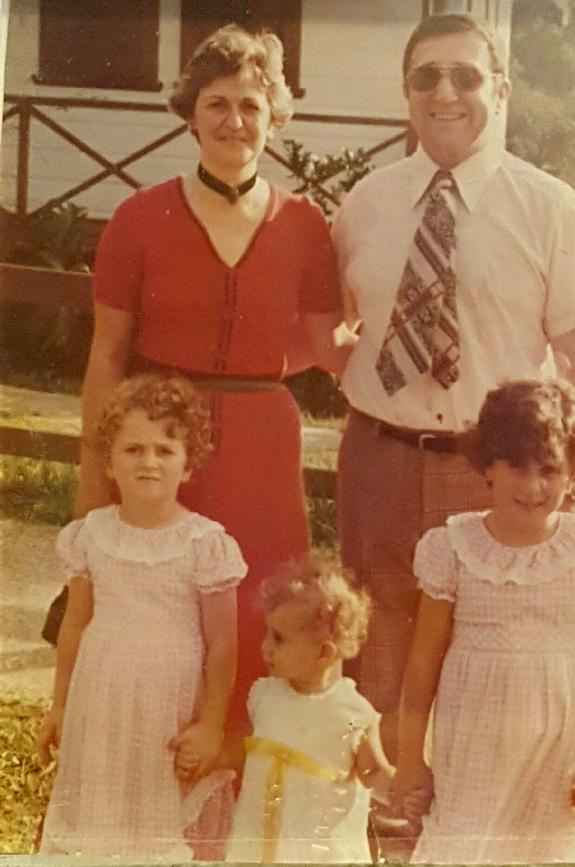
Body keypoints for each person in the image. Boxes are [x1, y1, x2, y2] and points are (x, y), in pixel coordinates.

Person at [331, 12, 575, 758]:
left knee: (486, 652)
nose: (445, 92)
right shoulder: (365, 202)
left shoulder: (550, 206)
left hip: (495, 470)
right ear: (406, 92)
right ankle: (386, 807)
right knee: (380, 643)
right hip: (382, 458)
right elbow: (329, 323)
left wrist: (567, 481)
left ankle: (469, 813)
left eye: (466, 75)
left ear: (502, 88)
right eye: (426, 76)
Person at [72, 24, 347, 736]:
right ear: (191, 113)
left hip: (263, 443)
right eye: (218, 103)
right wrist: (96, 472)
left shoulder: (306, 224)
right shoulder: (138, 218)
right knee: (156, 607)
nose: (235, 121)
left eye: (252, 105)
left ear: (274, 118)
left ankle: (244, 794)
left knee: (266, 606)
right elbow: (107, 355)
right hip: (163, 439)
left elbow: (325, 343)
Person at [393, 379, 575, 864]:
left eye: (549, 470)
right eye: (516, 468)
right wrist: (411, 758)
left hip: (553, 744)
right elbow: (421, 666)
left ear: (573, 473)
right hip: (472, 736)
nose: (532, 486)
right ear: (487, 466)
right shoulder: (453, 547)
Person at [36, 375, 248, 858]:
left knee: (156, 819)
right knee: (100, 812)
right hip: (101, 698)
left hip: (168, 705)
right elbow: (75, 624)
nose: (148, 462)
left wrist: (212, 726)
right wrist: (61, 705)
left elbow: (223, 647)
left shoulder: (204, 543)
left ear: (188, 464)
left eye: (164, 450)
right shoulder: (91, 535)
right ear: (109, 460)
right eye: (132, 450)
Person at [226, 560, 395, 863]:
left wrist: (401, 789)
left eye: (278, 638)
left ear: (324, 653)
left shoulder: (351, 712)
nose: (265, 647)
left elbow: (374, 774)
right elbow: (242, 751)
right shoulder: (265, 696)